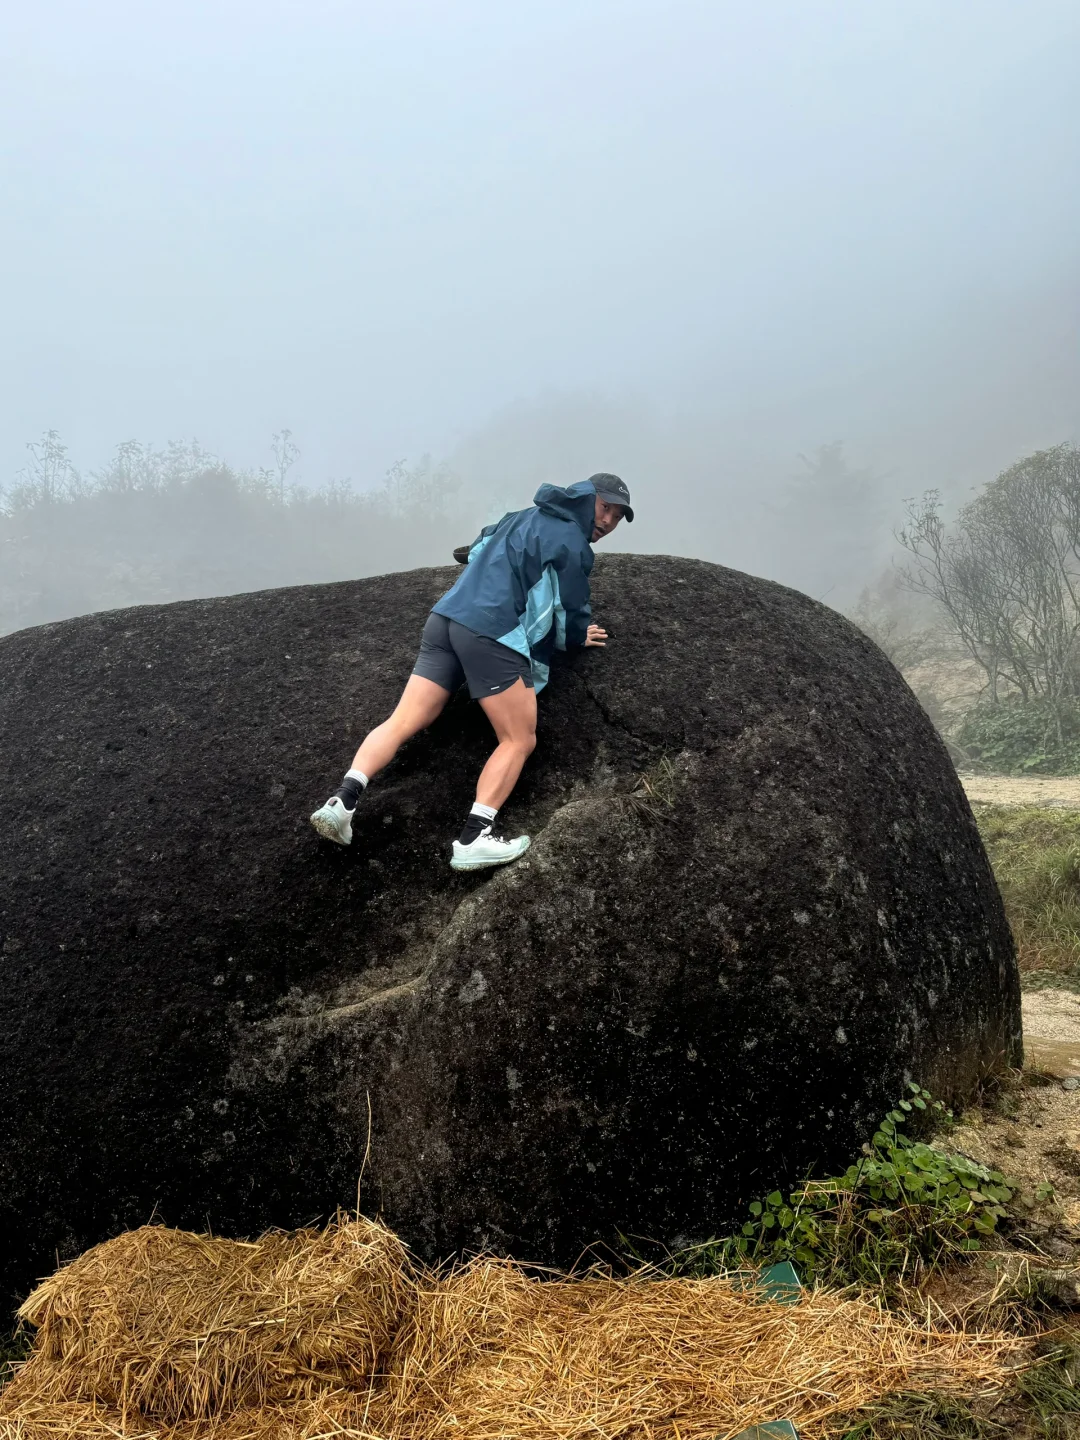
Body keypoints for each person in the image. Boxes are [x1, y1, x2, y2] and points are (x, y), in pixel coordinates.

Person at [309, 472, 634, 869]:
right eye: (605, 509)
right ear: (586, 499)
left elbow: (477, 545)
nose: (608, 522)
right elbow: (571, 605)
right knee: (518, 739)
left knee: (406, 718)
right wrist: (578, 637)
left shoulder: (521, 516)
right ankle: (475, 837)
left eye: (617, 517)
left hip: (445, 619)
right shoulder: (573, 543)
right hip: (491, 631)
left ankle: (342, 801)